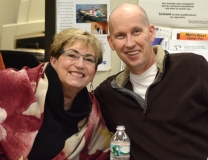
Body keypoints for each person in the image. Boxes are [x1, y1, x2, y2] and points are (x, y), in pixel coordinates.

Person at [94, 3, 208, 160]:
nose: (130, 43)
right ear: (111, 42)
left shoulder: (193, 68)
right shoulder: (108, 93)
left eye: (136, 31)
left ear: (151, 32)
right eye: (120, 35)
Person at [0, 28, 112, 159]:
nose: (80, 64)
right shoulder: (14, 84)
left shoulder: (92, 112)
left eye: (89, 59)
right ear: (53, 60)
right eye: (71, 55)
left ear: (94, 71)